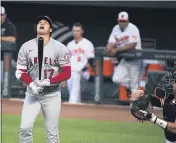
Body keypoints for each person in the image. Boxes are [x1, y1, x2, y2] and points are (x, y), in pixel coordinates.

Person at [15, 16, 71, 143]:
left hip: (52, 94)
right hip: (32, 93)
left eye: (45, 23)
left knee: (52, 133)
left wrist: (48, 81)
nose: (42, 24)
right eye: (39, 22)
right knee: (24, 128)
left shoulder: (59, 47)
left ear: (50, 29)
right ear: (36, 28)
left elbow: (67, 73)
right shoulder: (26, 47)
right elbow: (20, 71)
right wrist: (31, 84)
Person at [105, 11, 142, 99]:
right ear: (118, 21)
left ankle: (136, 107)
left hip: (135, 59)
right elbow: (111, 42)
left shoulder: (133, 28)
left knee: (134, 86)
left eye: (124, 21)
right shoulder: (116, 28)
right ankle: (133, 88)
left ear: (127, 21)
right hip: (125, 59)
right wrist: (108, 48)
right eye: (121, 21)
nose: (122, 23)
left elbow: (132, 45)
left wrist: (116, 50)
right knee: (116, 78)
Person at [131, 71, 176, 143]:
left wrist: (153, 118)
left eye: (173, 83)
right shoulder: (171, 97)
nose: (169, 85)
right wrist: (144, 96)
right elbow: (165, 104)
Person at [67, 23, 95, 104]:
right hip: (71, 72)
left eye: (78, 31)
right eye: (74, 31)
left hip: (83, 72)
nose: (76, 33)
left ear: (82, 31)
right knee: (74, 90)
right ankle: (77, 106)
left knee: (75, 76)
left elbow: (91, 60)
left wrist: (84, 69)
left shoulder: (87, 44)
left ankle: (72, 104)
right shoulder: (70, 45)